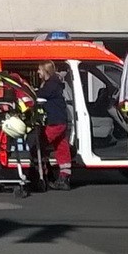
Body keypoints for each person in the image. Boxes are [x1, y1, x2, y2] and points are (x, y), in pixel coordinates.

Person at [36, 61, 72, 191]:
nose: (38, 72)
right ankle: (64, 177)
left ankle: (43, 172)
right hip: (60, 121)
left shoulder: (50, 85)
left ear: (46, 71)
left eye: (39, 70)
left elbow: (39, 95)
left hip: (55, 122)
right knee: (62, 148)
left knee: (39, 145)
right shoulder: (55, 83)